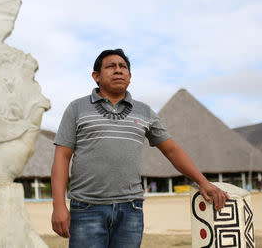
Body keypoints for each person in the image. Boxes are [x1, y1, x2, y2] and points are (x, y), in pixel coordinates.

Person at [51, 49, 229, 248]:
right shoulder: (77, 108)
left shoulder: (145, 112)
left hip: (131, 210)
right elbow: (62, 157)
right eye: (111, 66)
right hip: (86, 209)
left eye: (123, 67)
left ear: (130, 76)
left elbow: (172, 150)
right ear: (96, 76)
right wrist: (59, 205)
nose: (118, 71)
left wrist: (202, 181)